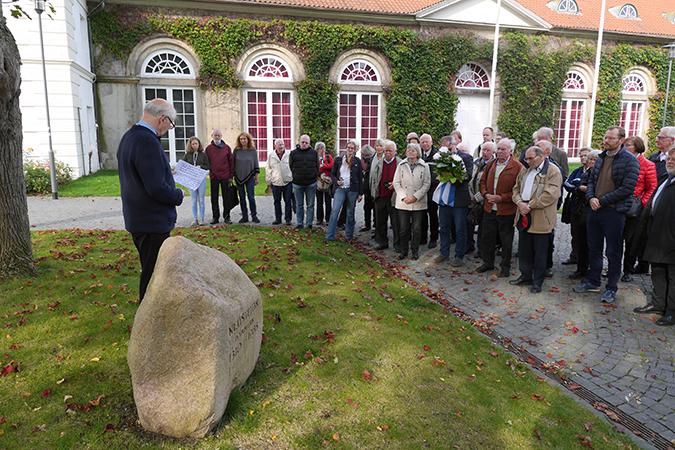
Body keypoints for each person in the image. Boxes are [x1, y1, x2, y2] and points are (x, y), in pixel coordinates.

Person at [117, 98, 184, 301]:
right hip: (151, 222)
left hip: (139, 219)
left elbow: (142, 177)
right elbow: (155, 188)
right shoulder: (147, 140)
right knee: (153, 275)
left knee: (150, 270)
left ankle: (150, 319)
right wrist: (178, 195)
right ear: (162, 119)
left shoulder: (129, 137)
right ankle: (148, 323)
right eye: (171, 124)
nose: (169, 129)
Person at [574, 126, 639, 303]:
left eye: (611, 138)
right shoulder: (601, 157)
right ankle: (593, 281)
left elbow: (627, 189)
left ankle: (611, 287)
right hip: (595, 210)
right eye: (606, 137)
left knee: (613, 251)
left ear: (621, 140)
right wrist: (592, 198)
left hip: (614, 212)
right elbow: (591, 181)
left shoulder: (630, 161)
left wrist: (602, 201)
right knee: (593, 247)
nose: (606, 140)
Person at [510, 146, 562, 293]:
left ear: (541, 157)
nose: (527, 161)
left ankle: (537, 281)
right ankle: (525, 275)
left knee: (540, 251)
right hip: (523, 213)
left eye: (530, 158)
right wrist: (520, 202)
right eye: (526, 158)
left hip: (541, 217)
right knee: (524, 248)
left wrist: (530, 205)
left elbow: (550, 195)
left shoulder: (553, 171)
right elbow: (516, 188)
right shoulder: (526, 170)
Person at [634, 147, 675, 326]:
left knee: (673, 277)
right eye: (669, 158)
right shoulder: (666, 179)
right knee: (657, 272)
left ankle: (671, 312)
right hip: (656, 235)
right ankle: (658, 304)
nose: (670, 161)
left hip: (672, 239)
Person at [477, 138, 522, 277]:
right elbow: (482, 181)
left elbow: (518, 190)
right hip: (489, 208)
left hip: (506, 210)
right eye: (499, 149)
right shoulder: (491, 164)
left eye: (503, 149)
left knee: (506, 240)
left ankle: (505, 267)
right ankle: (488, 262)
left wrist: (501, 198)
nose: (500, 151)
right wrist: (485, 194)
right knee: (487, 237)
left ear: (510, 151)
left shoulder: (517, 167)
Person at [621, 136, 656, 282]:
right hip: (619, 205)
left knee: (632, 241)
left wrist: (642, 202)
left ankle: (628, 270)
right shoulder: (621, 161)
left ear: (637, 147)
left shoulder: (647, 164)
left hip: (635, 209)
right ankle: (613, 268)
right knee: (616, 239)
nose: (625, 147)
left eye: (628, 145)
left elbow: (652, 187)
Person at [433, 146, 473, 267]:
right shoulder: (441, 159)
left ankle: (459, 256)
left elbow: (468, 176)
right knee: (444, 228)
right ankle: (444, 253)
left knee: (460, 229)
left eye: (450, 147)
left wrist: (452, 176)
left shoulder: (466, 158)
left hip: (459, 201)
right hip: (444, 200)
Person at [393, 143, 431, 260]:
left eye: (413, 150)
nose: (410, 152)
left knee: (416, 228)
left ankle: (415, 251)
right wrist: (404, 197)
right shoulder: (401, 165)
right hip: (403, 202)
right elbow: (396, 182)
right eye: (408, 150)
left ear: (418, 152)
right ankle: (404, 251)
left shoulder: (424, 166)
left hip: (418, 202)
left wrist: (415, 197)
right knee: (403, 228)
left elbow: (426, 184)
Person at [567, 149, 599, 280]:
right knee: (580, 240)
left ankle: (592, 270)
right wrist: (579, 188)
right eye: (590, 159)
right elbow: (571, 184)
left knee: (592, 243)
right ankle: (581, 268)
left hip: (592, 212)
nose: (591, 161)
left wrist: (583, 189)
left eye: (594, 159)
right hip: (579, 210)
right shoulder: (583, 172)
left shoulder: (600, 175)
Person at [325, 140, 363, 241]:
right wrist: (337, 181)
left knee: (350, 213)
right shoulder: (338, 159)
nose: (350, 150)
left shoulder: (357, 161)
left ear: (355, 150)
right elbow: (332, 174)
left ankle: (348, 236)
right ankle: (329, 236)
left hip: (353, 190)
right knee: (335, 211)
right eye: (348, 147)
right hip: (340, 189)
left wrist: (360, 193)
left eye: (352, 148)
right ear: (345, 148)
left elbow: (360, 178)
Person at [370, 140, 401, 251]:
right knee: (380, 222)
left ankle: (397, 245)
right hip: (381, 196)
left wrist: (395, 185)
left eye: (390, 151)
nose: (387, 153)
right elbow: (373, 179)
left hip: (394, 197)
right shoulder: (379, 163)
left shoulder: (400, 163)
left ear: (395, 152)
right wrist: (374, 192)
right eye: (386, 150)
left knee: (396, 223)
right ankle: (382, 242)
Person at [468, 141, 495, 257]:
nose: (485, 152)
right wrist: (471, 196)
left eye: (488, 150)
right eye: (483, 150)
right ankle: (469, 246)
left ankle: (481, 250)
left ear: (493, 152)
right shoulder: (476, 162)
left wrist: (478, 197)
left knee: (483, 228)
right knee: (470, 223)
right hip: (472, 198)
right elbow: (470, 180)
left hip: (484, 200)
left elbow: (489, 185)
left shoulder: (494, 165)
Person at [289, 134, 319, 229]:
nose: (304, 144)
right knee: (299, 204)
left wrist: (314, 175)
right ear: (299, 142)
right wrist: (295, 175)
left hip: (311, 183)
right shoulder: (293, 153)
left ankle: (309, 223)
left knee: (310, 205)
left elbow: (317, 166)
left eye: (306, 142)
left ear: (309, 143)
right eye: (303, 142)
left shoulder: (314, 153)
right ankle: (299, 223)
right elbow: (291, 166)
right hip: (298, 183)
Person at [205, 129, 234, 224]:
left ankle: (227, 217)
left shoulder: (227, 148)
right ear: (212, 136)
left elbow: (231, 162)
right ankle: (215, 217)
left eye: (218, 135)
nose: (217, 137)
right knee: (214, 198)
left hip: (225, 176)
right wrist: (210, 172)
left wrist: (231, 176)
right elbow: (207, 162)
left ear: (221, 136)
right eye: (215, 135)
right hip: (214, 177)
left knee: (226, 198)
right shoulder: (208, 149)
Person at [233, 132, 260, 223]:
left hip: (250, 177)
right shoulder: (236, 150)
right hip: (238, 177)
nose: (243, 140)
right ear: (239, 140)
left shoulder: (252, 150)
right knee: (242, 197)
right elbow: (233, 163)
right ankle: (244, 216)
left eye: (244, 139)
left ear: (248, 139)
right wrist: (232, 176)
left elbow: (256, 164)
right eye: (241, 139)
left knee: (251, 197)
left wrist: (257, 177)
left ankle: (254, 216)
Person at [266, 138, 293, 225]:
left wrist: (293, 176)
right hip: (276, 182)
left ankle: (288, 219)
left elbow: (293, 166)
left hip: (288, 181)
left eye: (282, 144)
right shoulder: (271, 155)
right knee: (277, 201)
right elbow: (268, 168)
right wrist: (269, 181)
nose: (281, 146)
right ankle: (278, 219)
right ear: (275, 146)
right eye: (279, 144)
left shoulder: (289, 154)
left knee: (288, 201)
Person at [183, 136, 209, 226]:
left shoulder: (203, 155)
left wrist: (200, 167)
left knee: (201, 200)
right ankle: (195, 219)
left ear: (199, 144)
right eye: (193, 144)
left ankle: (202, 219)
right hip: (191, 180)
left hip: (201, 179)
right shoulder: (187, 155)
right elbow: (183, 166)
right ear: (190, 145)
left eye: (196, 143)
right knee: (193, 200)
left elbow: (208, 166)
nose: (194, 145)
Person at [419, 133, 439, 249]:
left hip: (432, 190)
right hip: (421, 190)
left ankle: (433, 238)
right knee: (422, 215)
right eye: (423, 142)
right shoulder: (418, 154)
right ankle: (423, 237)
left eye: (427, 141)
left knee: (433, 215)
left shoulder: (437, 155)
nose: (425, 144)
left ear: (431, 142)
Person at [315, 142, 334, 225]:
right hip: (318, 181)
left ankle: (328, 219)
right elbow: (315, 168)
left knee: (328, 201)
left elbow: (332, 166)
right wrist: (322, 168)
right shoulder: (315, 157)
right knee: (319, 202)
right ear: (317, 149)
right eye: (320, 148)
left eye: (323, 148)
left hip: (327, 182)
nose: (322, 150)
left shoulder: (328, 157)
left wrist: (323, 166)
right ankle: (319, 219)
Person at [360, 144, 375, 232]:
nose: (363, 157)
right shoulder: (364, 160)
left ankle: (373, 225)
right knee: (367, 207)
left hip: (372, 188)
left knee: (373, 208)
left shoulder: (373, 161)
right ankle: (368, 224)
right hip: (367, 188)